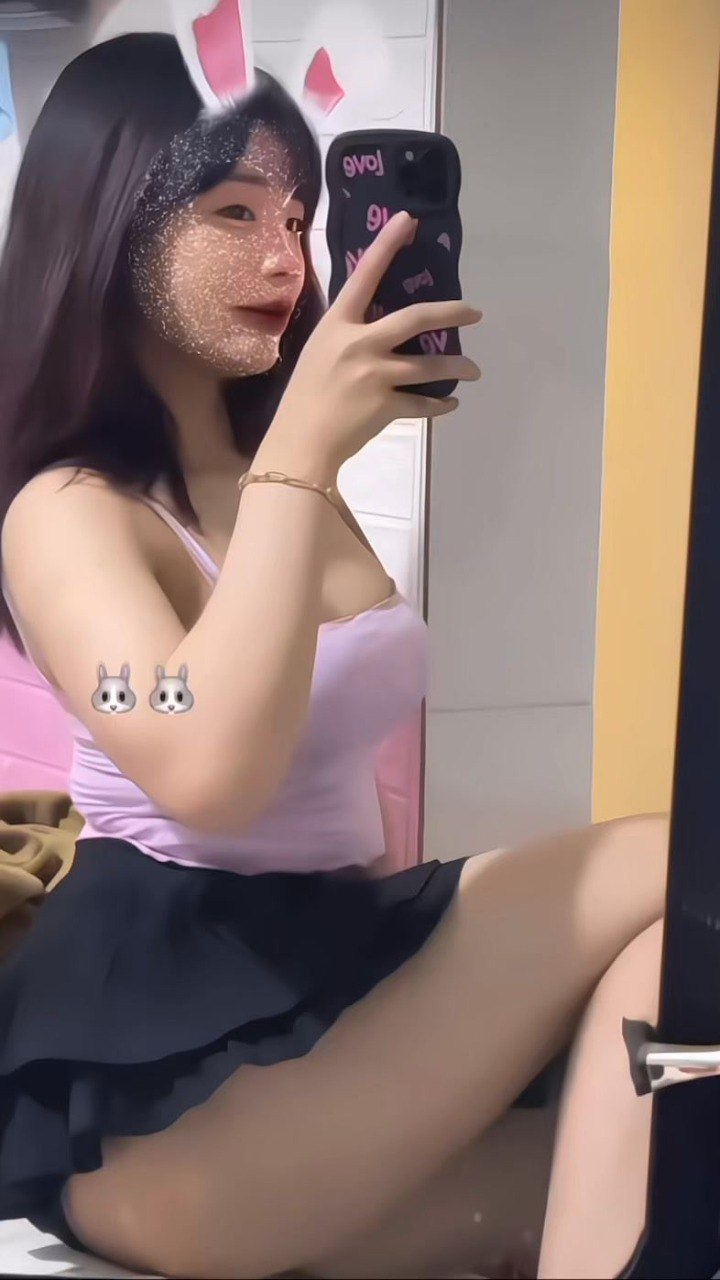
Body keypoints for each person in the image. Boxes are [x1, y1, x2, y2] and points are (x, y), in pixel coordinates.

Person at [0, 32, 668, 1280]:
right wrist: (302, 452)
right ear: (108, 225)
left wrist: (297, 456)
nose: (283, 257)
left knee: (670, 1028)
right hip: (171, 1096)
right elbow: (209, 768)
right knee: (669, 859)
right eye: (232, 211)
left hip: (331, 984)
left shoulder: (273, 469)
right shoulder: (66, 511)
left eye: (299, 217)